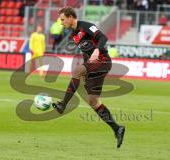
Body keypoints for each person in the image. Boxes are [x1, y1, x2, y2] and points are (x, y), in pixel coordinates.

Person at [52, 7, 125, 148]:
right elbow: (87, 50)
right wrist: (87, 64)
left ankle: (62, 105)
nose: (61, 23)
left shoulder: (86, 26)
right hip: (93, 65)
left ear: (70, 17)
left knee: (76, 71)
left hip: (103, 61)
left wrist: (97, 51)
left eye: (62, 19)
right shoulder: (74, 33)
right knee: (93, 101)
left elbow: (103, 37)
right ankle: (117, 128)